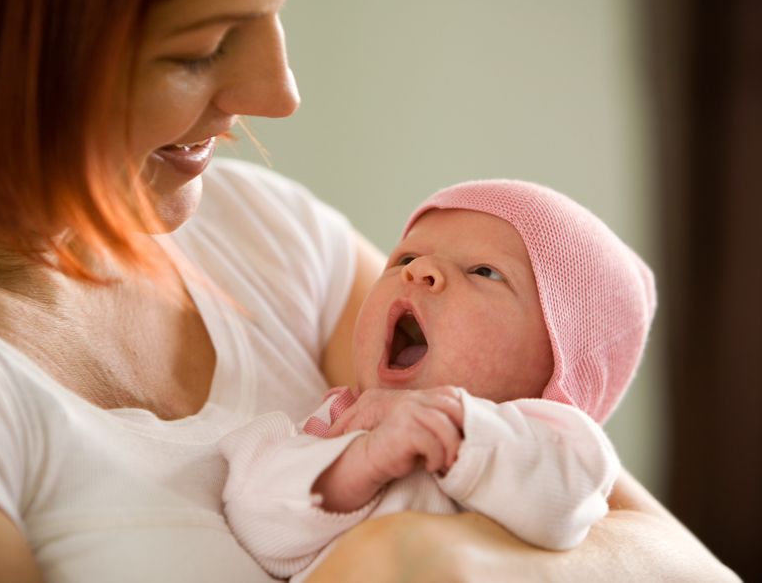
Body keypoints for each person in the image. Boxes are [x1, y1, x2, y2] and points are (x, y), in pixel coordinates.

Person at [0, 0, 738, 581]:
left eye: (276, 11)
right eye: (200, 49)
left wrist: (420, 557)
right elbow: (278, 500)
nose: (279, 95)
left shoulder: (266, 236)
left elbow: (690, 569)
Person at [218, 179, 654, 581]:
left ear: (560, 362)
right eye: (405, 258)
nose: (419, 269)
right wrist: (356, 464)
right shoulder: (335, 428)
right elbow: (257, 523)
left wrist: (458, 429)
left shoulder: (558, 445)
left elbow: (565, 505)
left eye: (484, 271)